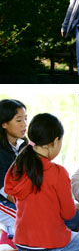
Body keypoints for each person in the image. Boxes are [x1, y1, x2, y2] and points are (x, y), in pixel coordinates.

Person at [4, 113, 79, 251]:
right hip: (46, 243)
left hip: (21, 241)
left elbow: (12, 193)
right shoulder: (57, 171)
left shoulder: (18, 164)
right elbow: (69, 214)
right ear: (55, 141)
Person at [0, 99, 27, 238]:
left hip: (19, 197)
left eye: (25, 119)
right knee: (29, 221)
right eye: (19, 120)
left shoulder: (24, 145)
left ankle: (11, 228)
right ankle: (9, 228)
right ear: (4, 123)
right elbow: (4, 190)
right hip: (3, 199)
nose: (24, 125)